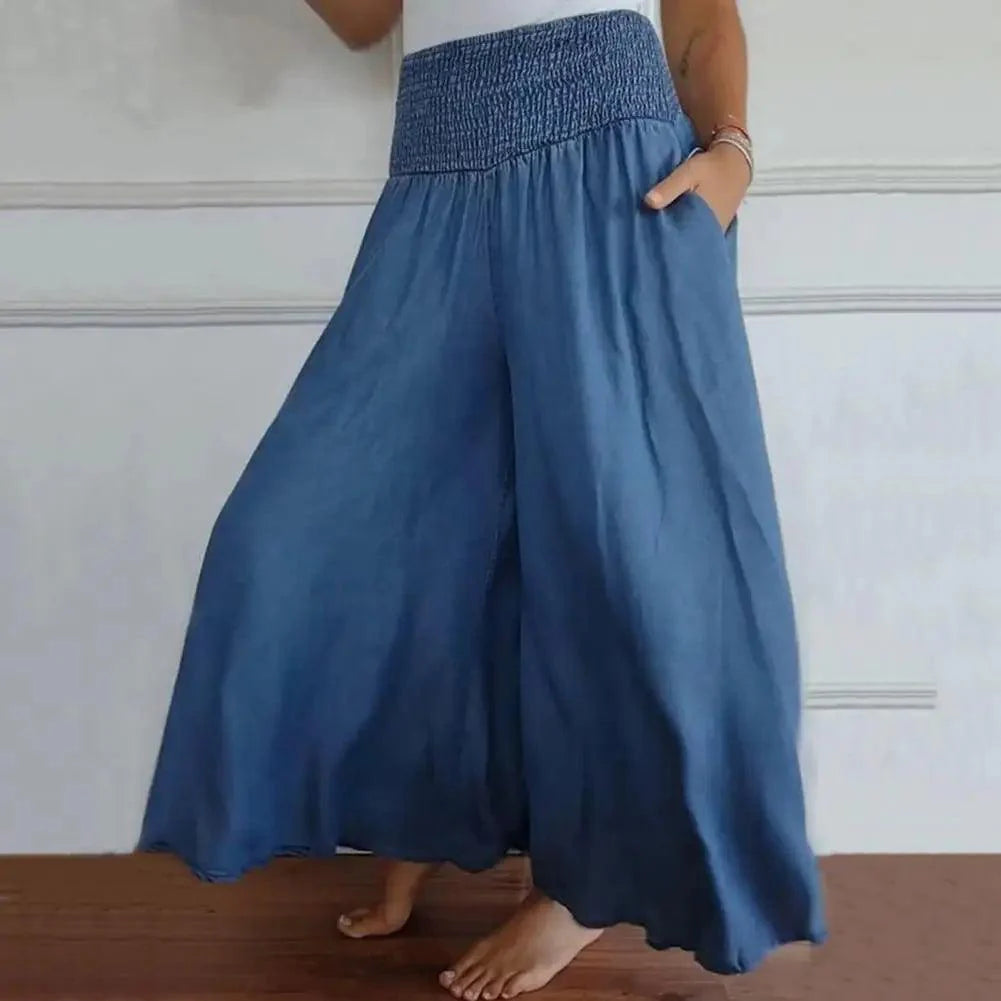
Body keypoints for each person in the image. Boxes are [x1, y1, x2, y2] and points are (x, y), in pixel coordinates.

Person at [138, 2, 827, 998]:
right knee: (306, 532)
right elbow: (365, 19)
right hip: (434, 161)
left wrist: (731, 154)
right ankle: (423, 813)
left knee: (626, 546)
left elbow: (698, 20)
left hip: (609, 155)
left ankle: (586, 886)